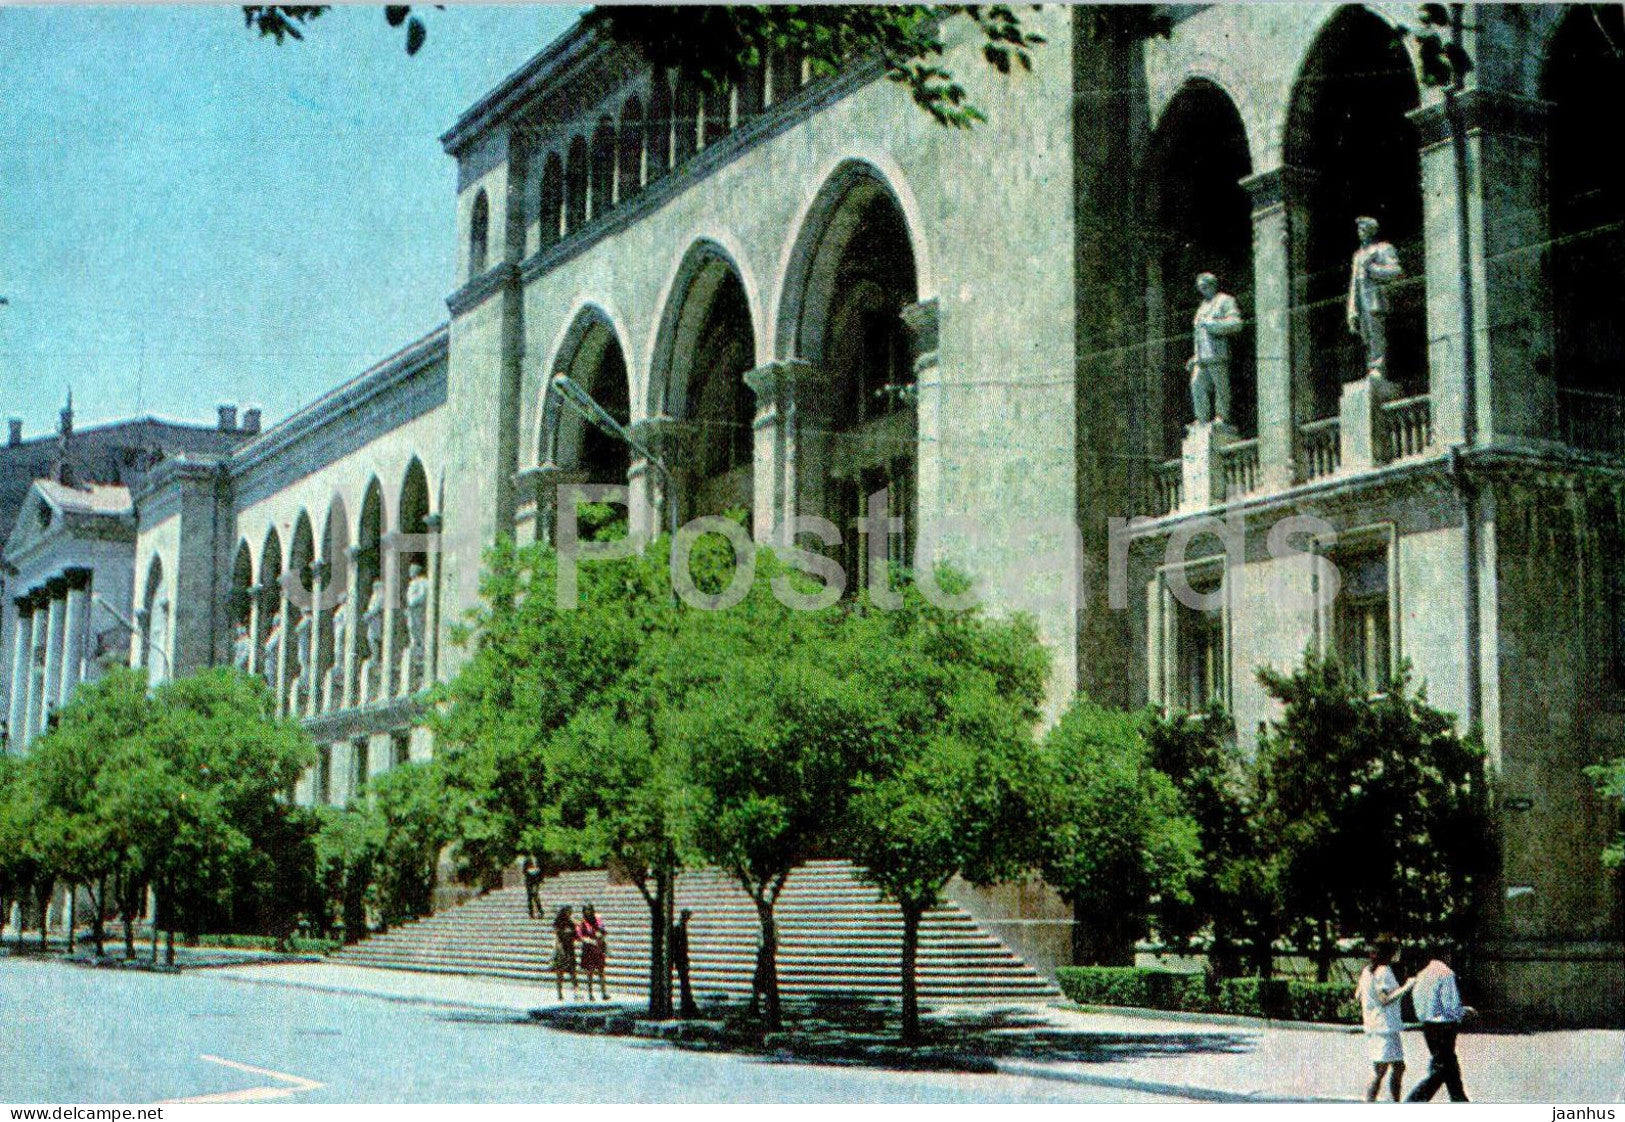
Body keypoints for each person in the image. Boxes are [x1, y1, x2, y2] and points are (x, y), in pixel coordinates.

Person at [1405, 943, 1474, 1102]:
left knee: (1449, 1064)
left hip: (1428, 1026)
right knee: (1442, 1069)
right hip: (1444, 1026)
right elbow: (1450, 1004)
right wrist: (1463, 1011)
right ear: (1446, 954)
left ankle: (1460, 1100)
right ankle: (1414, 1101)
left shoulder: (1422, 974)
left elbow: (1418, 1004)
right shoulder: (1446, 974)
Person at [1356, 936, 1414, 1101]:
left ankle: (1395, 1102)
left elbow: (1358, 995)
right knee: (1380, 1071)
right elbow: (1385, 999)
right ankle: (1370, 1103)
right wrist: (1407, 987)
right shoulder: (1384, 971)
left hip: (1377, 1025)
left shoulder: (1367, 971)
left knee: (1398, 1066)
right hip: (1384, 1027)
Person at [1347, 215, 1404, 377]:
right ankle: (1372, 367)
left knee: (1376, 335)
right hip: (1362, 303)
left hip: (1376, 300)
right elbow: (1354, 286)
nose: (1360, 232)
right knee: (1366, 337)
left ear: (1371, 231)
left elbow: (1396, 271)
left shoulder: (1383, 249)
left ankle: (1378, 367)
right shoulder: (1358, 256)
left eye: (1364, 229)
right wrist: (1352, 311)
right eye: (1359, 229)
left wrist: (1372, 269)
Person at [1187, 271, 1245, 425]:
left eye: (1205, 287)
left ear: (1213, 285)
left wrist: (1215, 326)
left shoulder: (1225, 300)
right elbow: (1199, 335)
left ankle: (1222, 416)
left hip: (1217, 354)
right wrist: (1195, 356)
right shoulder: (1201, 307)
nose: (1203, 291)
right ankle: (1201, 419)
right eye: (1200, 288)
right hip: (1201, 357)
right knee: (1196, 385)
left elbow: (1236, 323)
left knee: (1220, 387)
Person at [577, 904, 609, 1001]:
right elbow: (580, 936)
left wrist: (601, 936)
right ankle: (590, 994)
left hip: (598, 949)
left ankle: (604, 993)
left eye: (589, 910)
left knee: (601, 971)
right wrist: (589, 940)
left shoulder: (598, 920)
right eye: (586, 910)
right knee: (590, 973)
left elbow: (604, 931)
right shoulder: (582, 923)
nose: (588, 912)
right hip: (588, 950)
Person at [670, 908, 697, 1018]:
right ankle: (687, 1004)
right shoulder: (679, 928)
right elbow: (678, 946)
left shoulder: (680, 927)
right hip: (681, 960)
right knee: (685, 983)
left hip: (681, 959)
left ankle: (687, 1003)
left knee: (685, 983)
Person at [550, 905, 578, 1001]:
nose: (570, 913)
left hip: (570, 949)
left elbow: (575, 935)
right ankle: (559, 993)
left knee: (573, 973)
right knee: (560, 974)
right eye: (568, 911)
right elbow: (557, 936)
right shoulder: (559, 923)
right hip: (561, 950)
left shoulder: (571, 923)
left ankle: (576, 993)